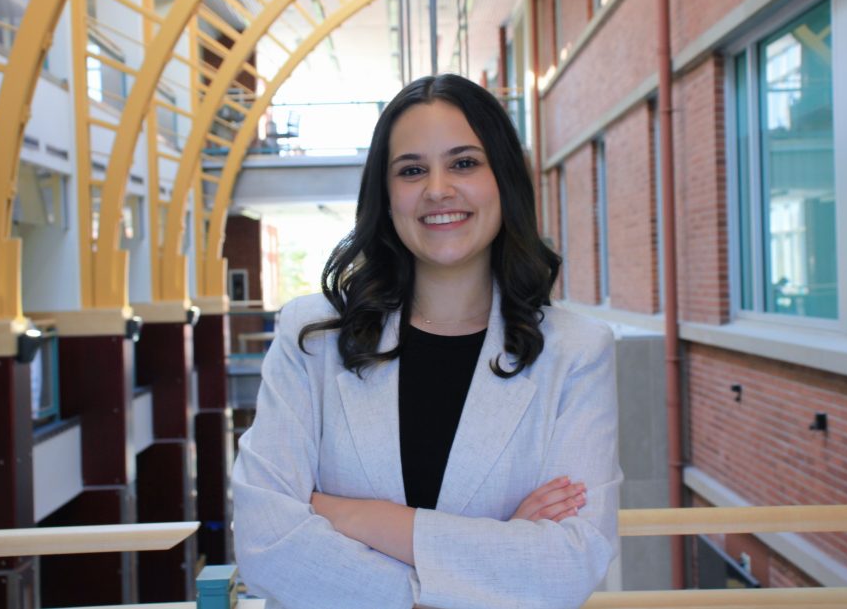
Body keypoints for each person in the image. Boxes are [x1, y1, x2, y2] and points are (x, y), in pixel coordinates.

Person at [231, 74, 620, 609]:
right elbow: (266, 542)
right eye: (412, 170)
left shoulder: (576, 352)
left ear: (503, 179)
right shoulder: (312, 337)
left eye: (464, 163)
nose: (438, 189)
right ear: (386, 195)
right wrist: (479, 569)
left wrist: (363, 518)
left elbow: (569, 563)